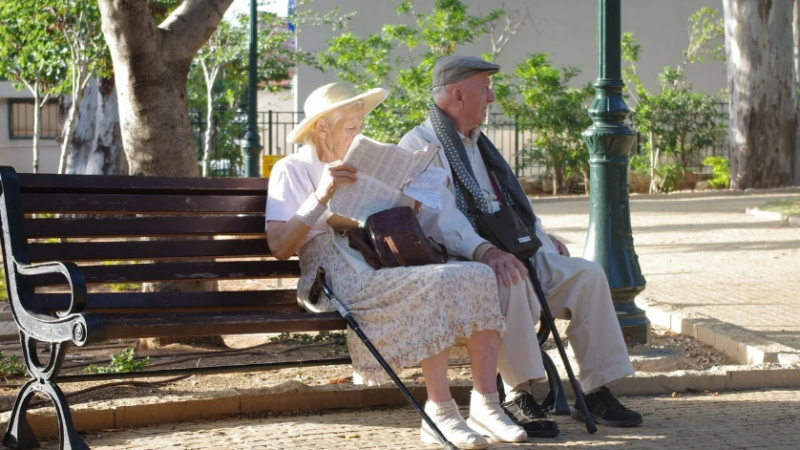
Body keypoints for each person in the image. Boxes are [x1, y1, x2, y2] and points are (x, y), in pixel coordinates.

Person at [265, 82, 528, 449]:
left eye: (361, 125)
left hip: (378, 257)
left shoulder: (360, 163)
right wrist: (321, 195)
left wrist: (407, 200)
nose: (360, 134)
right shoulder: (291, 168)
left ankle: (486, 404)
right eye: (350, 127)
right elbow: (280, 246)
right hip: (332, 273)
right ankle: (440, 411)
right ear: (321, 127)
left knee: (478, 273)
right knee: (433, 283)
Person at [399, 56, 643, 438]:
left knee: (587, 275)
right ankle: (519, 392)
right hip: (467, 261)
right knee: (509, 278)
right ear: (457, 95)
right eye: (485, 89)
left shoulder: (480, 144)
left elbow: (508, 205)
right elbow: (438, 218)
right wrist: (485, 251)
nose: (492, 97)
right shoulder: (420, 145)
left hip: (511, 250)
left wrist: (542, 240)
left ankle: (596, 389)